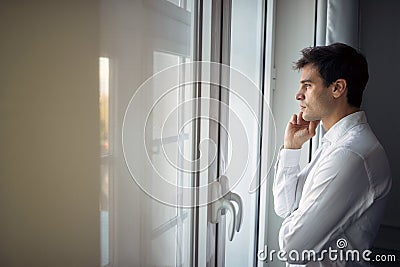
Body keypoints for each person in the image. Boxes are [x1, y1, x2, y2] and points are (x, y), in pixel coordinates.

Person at [273, 43, 392, 266]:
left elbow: (293, 248)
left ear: (337, 88)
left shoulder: (350, 154)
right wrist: (291, 149)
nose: (298, 95)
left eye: (307, 86)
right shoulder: (334, 144)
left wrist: (299, 217)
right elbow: (285, 207)